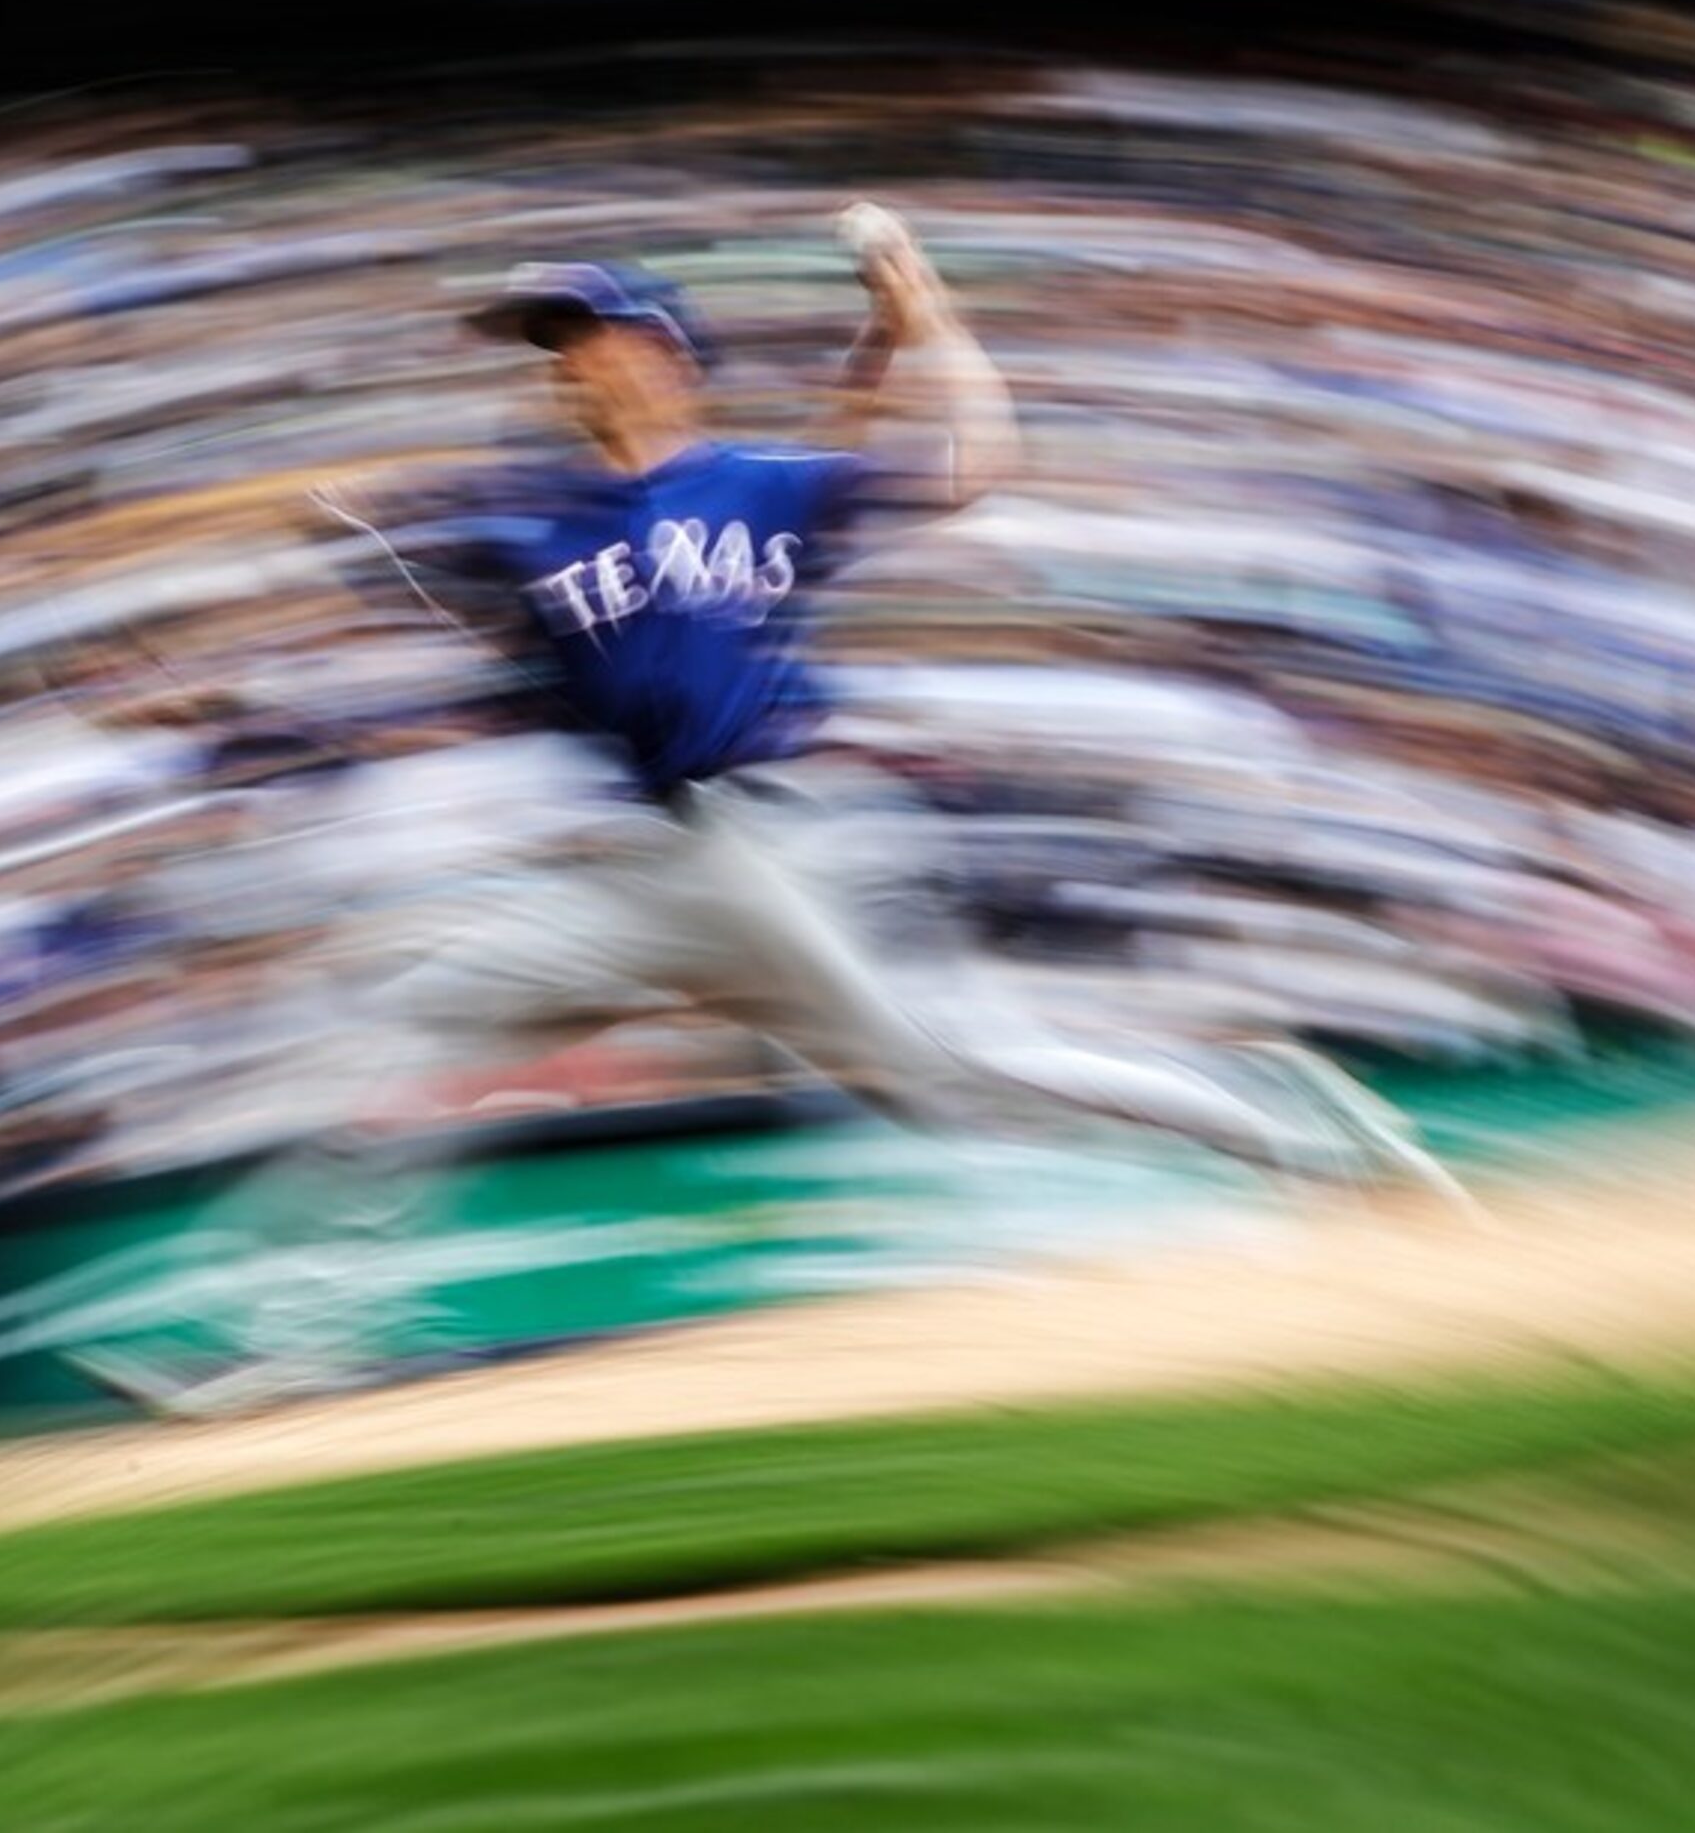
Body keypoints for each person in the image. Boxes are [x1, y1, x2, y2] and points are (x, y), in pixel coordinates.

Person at [100, 206, 1484, 1420]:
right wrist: (216, 698)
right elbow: (360, 605)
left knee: (960, 1078)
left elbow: (976, 458)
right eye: (549, 340)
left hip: (783, 842)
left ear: (660, 351)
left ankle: (1291, 1127)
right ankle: (283, 1344)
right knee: (405, 1017)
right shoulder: (513, 517)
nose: (560, 359)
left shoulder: (761, 482)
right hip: (647, 874)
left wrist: (923, 311)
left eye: (580, 332)